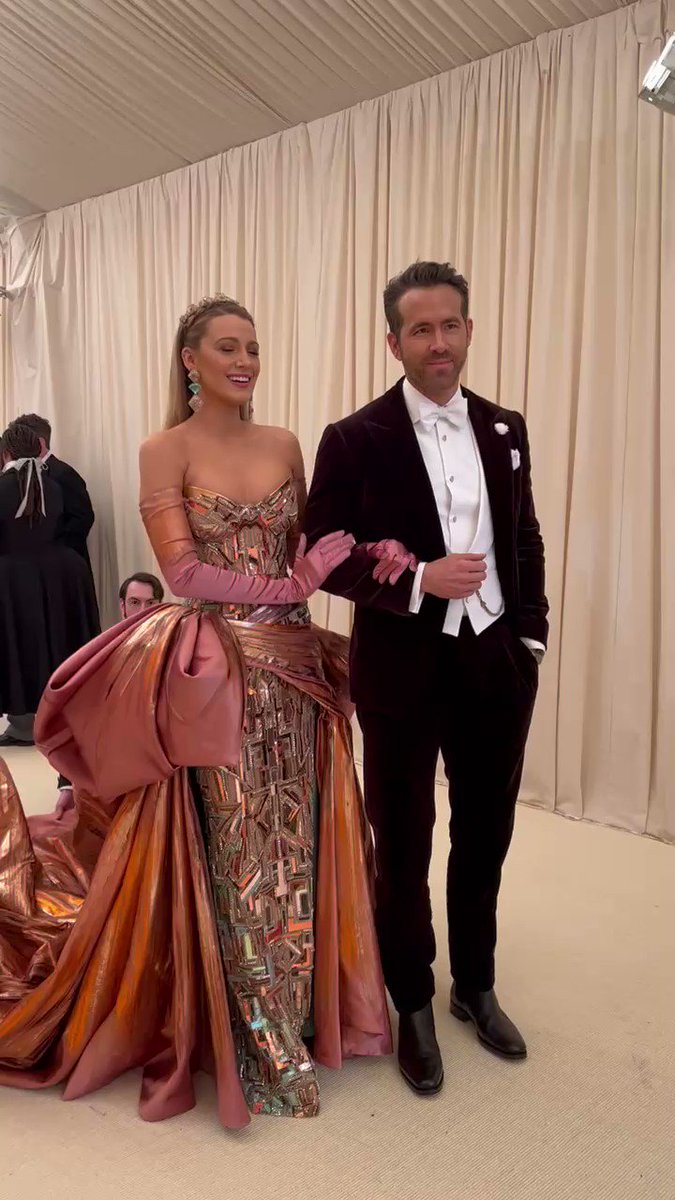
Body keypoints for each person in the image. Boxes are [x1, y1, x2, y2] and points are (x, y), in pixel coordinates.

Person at [0, 295, 398, 1128]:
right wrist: (292, 585)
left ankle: (300, 1009)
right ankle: (255, 1037)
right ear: (190, 359)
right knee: (238, 847)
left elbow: (308, 545)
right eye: (226, 346)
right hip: (219, 675)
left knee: (298, 843)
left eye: (251, 346)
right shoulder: (164, 449)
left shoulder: (283, 442)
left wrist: (370, 552)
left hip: (297, 671)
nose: (244, 359)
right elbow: (182, 573)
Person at [304, 261, 549, 1096]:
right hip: (401, 671)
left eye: (449, 326)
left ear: (468, 330)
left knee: (485, 834)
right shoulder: (352, 437)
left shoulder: (506, 427)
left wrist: (529, 637)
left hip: (495, 663)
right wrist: (415, 581)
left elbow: (523, 535)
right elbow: (324, 552)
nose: (437, 342)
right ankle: (410, 999)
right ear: (393, 342)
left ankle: (473, 985)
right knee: (402, 845)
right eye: (420, 329)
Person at [0, 423, 101, 748]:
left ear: (6, 453)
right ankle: (59, 718)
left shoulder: (4, 487)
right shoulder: (53, 484)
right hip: (59, 575)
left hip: (13, 579)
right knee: (56, 643)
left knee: (20, 646)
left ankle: (23, 723)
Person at [6, 413, 96, 569]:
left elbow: (82, 519)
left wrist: (52, 551)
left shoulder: (63, 474)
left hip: (63, 569)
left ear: (40, 443)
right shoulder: (20, 477)